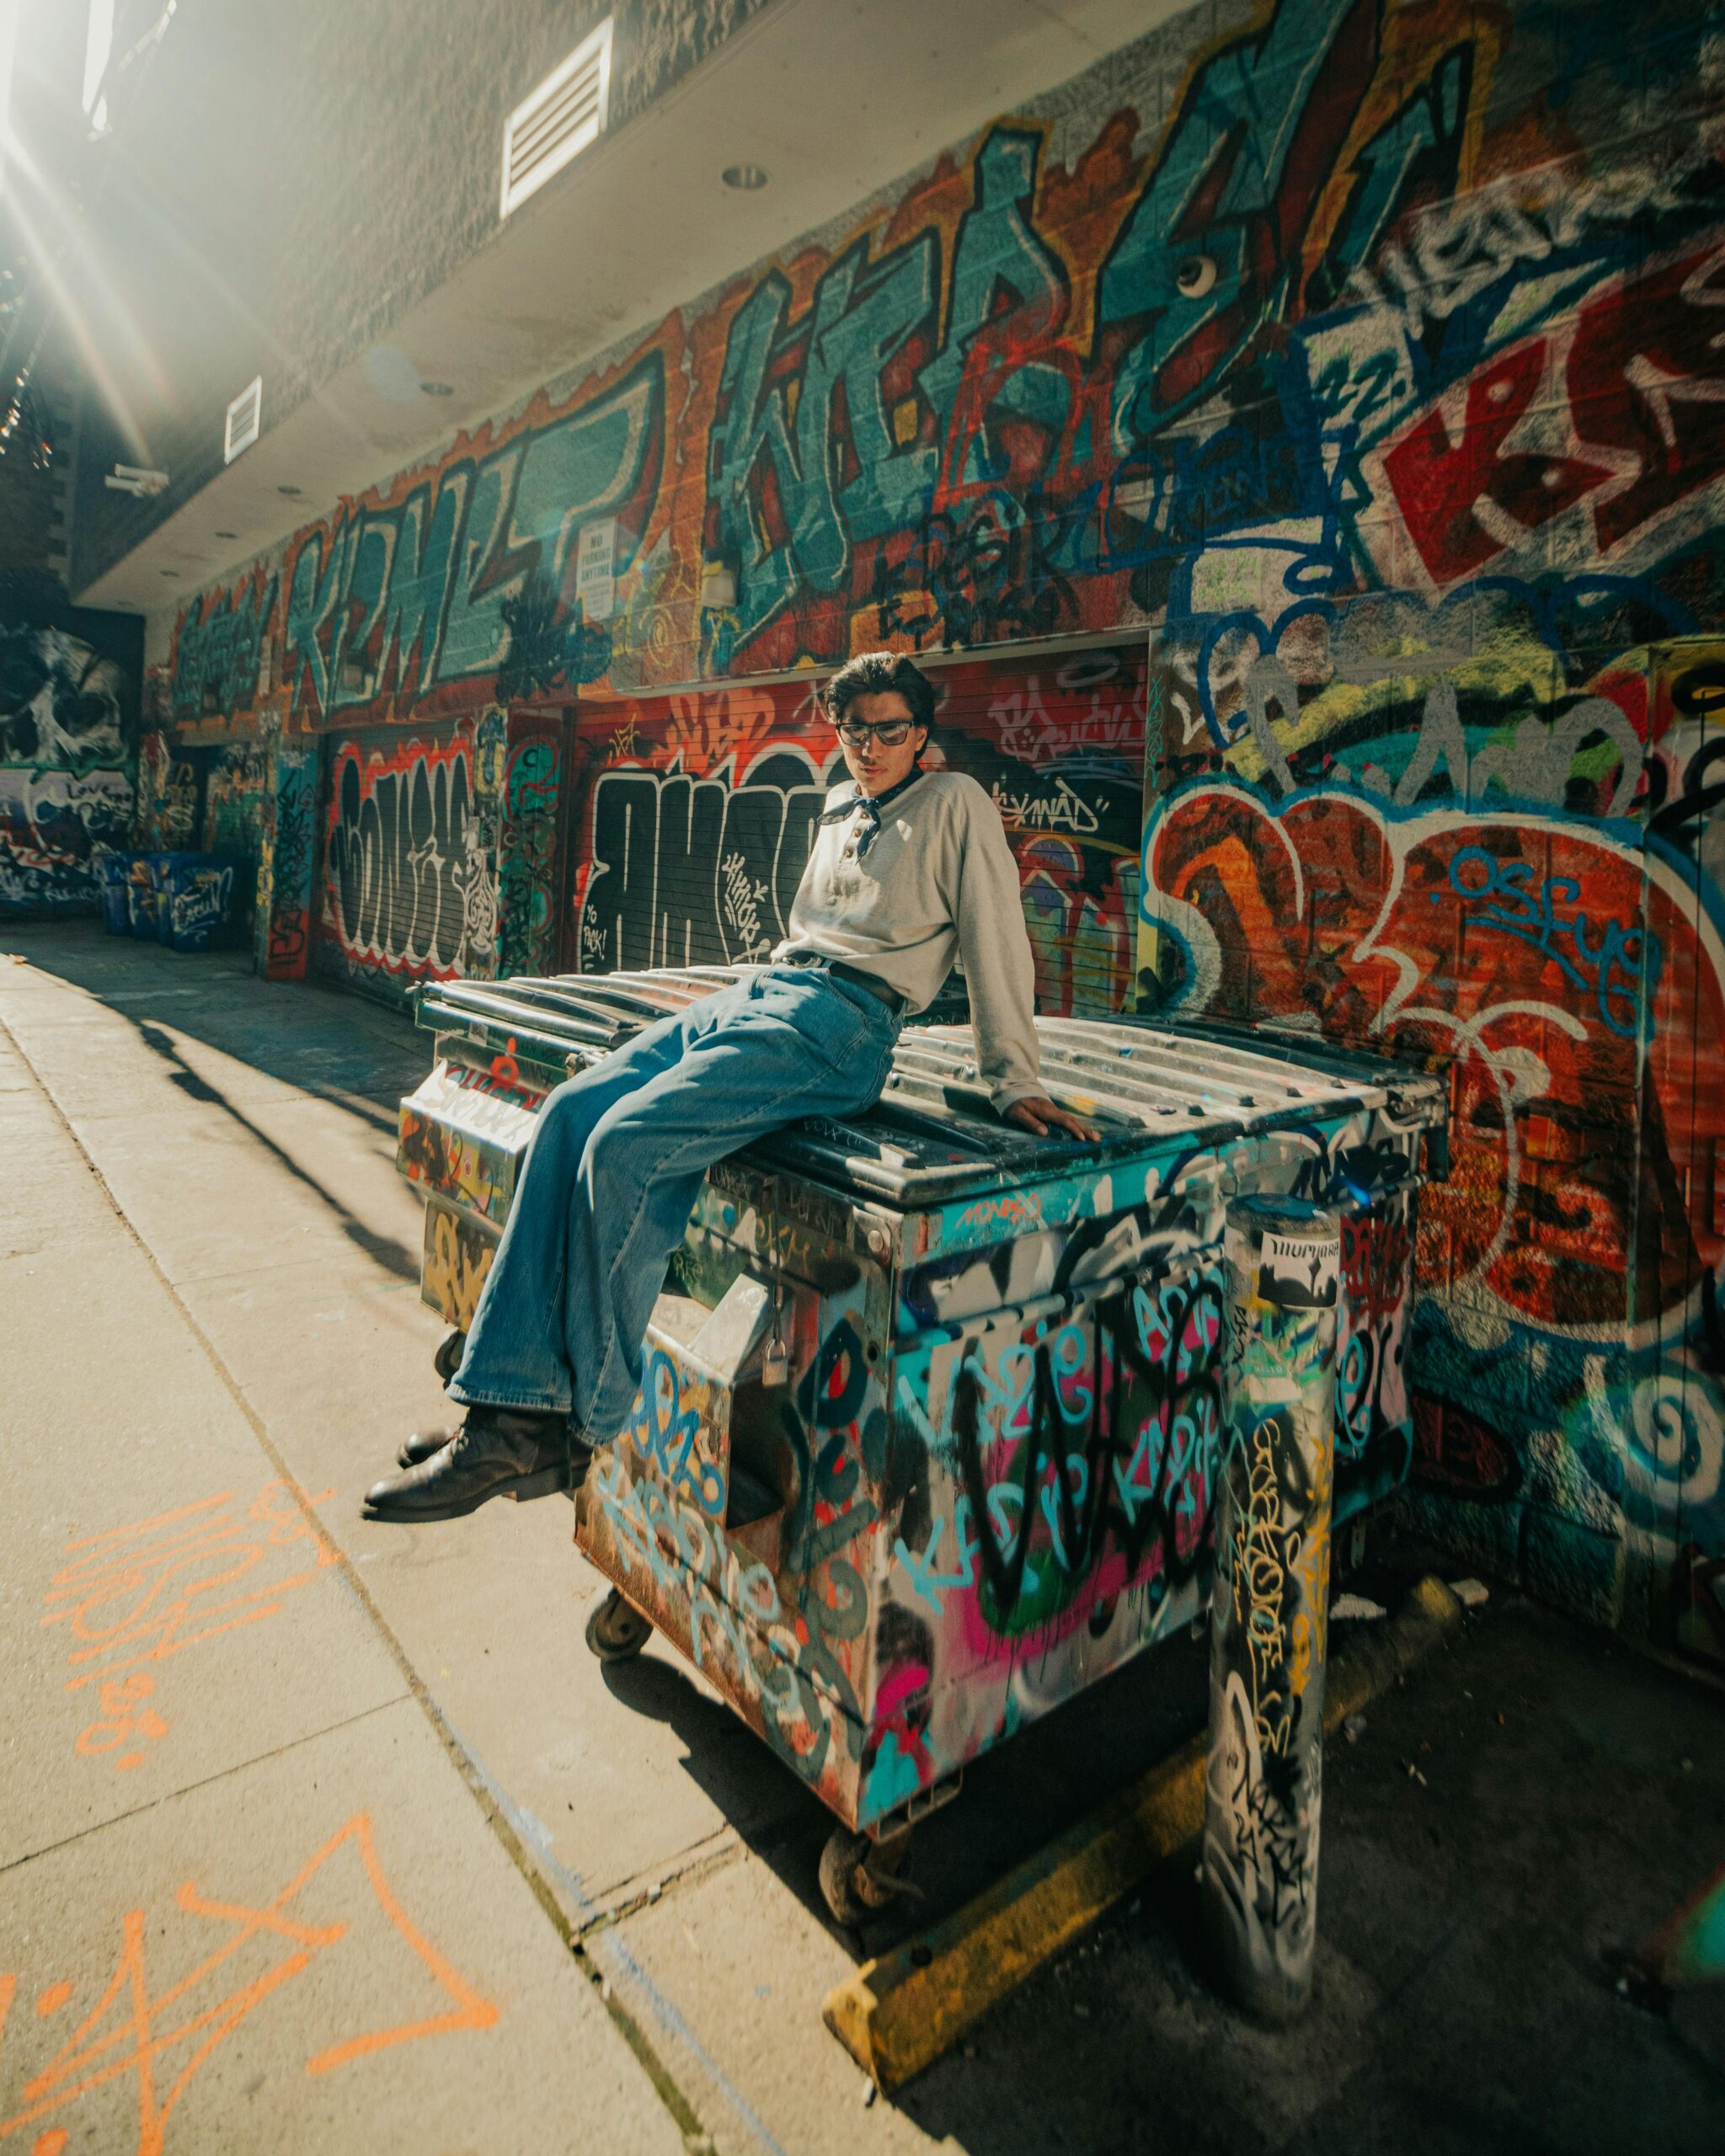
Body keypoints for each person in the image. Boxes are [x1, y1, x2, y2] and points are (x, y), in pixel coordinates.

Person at [362, 651, 1099, 1524]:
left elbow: (994, 934)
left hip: (841, 1024)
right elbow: (807, 934)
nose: (868, 745)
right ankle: (507, 1392)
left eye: (889, 729)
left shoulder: (954, 804)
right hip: (766, 990)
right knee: (564, 1116)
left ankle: (565, 1426)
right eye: (853, 729)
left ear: (922, 734)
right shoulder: (836, 806)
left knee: (625, 1146)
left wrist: (1011, 1077)